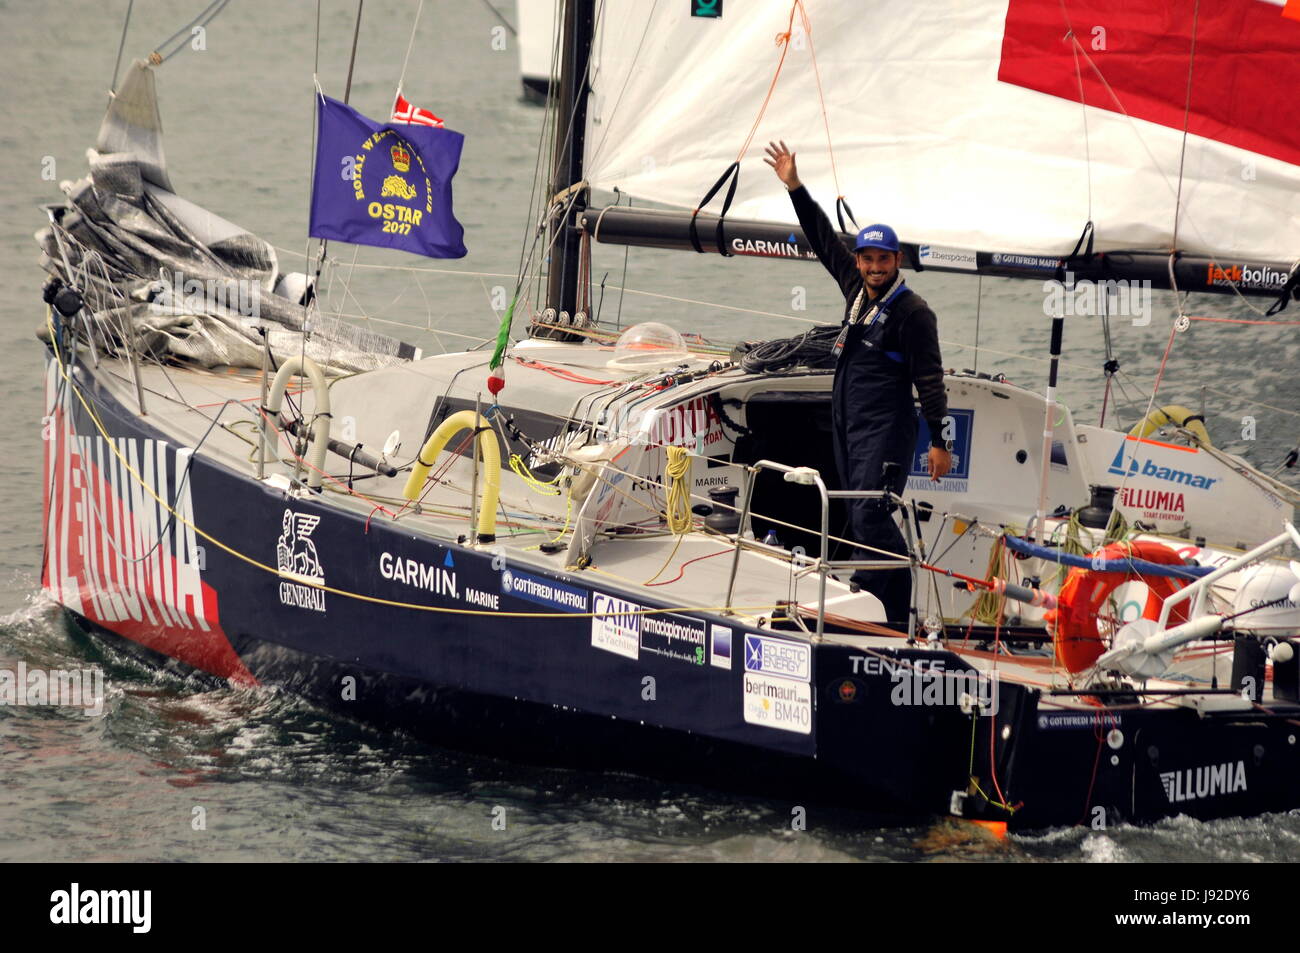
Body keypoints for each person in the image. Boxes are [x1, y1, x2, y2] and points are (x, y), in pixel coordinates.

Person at [764, 140, 951, 625]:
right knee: (854, 516)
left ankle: (893, 610)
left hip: (886, 431)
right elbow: (824, 240)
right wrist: (795, 187)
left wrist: (940, 441)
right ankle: (871, 602)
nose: (872, 267)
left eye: (881, 260)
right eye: (866, 259)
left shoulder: (913, 312)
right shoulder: (857, 288)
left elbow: (930, 380)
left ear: (897, 261)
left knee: (870, 515)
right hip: (851, 425)